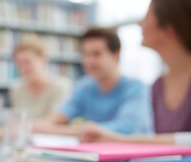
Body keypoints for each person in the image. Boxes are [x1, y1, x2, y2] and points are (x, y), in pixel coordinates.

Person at [81, 0, 191, 146]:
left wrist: (118, 139)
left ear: (169, 28)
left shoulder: (136, 87)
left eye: (146, 18)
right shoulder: (159, 86)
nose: (140, 24)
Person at [33, 28, 153, 135]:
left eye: (97, 54)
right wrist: (37, 125)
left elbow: (128, 127)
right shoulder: (85, 86)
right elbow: (58, 116)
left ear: (116, 56)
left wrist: (80, 130)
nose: (89, 61)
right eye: (85, 54)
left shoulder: (135, 88)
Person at [10, 38, 71, 119]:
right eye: (19, 64)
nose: (23, 68)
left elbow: (55, 121)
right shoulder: (17, 88)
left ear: (43, 58)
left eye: (27, 62)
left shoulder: (61, 87)